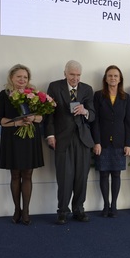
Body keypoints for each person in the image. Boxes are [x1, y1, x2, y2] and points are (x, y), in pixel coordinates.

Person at [44, 60, 95, 225]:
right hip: (61, 139)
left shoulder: (87, 89)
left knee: (81, 177)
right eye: (72, 74)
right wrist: (50, 135)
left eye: (78, 75)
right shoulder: (54, 87)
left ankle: (79, 209)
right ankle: (62, 211)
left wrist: (85, 111)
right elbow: (49, 114)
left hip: (83, 139)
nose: (75, 78)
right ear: (65, 73)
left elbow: (93, 115)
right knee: (64, 177)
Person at [0, 64, 44, 225]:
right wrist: (15, 124)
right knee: (15, 175)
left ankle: (27, 211)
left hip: (30, 139)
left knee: (28, 174)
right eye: (19, 77)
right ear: (11, 78)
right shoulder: (4, 94)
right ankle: (17, 209)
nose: (22, 80)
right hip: (12, 138)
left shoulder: (34, 94)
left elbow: (41, 118)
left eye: (25, 77)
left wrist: (32, 118)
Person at [92, 65, 130, 218]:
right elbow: (95, 121)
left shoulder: (125, 97)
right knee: (103, 174)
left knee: (116, 174)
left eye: (116, 76)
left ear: (120, 78)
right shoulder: (98, 95)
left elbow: (129, 122)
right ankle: (105, 205)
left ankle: (114, 205)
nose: (113, 78)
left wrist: (128, 143)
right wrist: (96, 141)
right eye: (110, 76)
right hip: (102, 142)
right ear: (105, 78)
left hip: (119, 142)